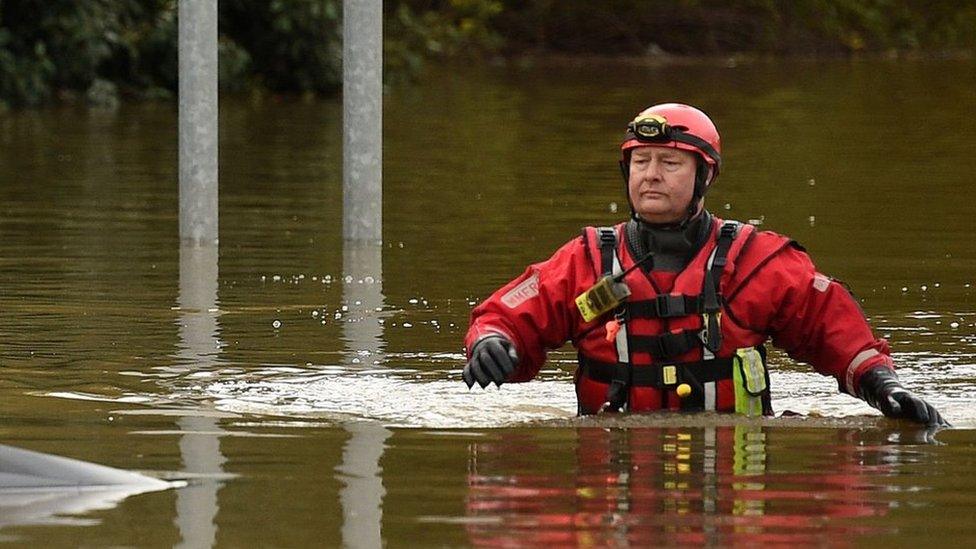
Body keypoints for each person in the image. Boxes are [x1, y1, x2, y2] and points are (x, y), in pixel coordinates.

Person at [462, 102, 947, 426]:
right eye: (640, 162)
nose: (651, 176)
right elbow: (508, 314)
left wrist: (883, 385)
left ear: (704, 176)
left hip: (732, 481)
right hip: (614, 484)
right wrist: (491, 343)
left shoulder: (758, 263)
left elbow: (837, 334)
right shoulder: (586, 264)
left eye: (669, 164)